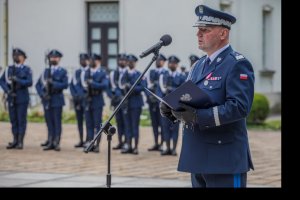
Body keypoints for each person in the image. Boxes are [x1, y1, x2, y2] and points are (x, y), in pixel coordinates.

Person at [159, 5, 255, 187]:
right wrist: (172, 108)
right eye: (198, 30)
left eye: (205, 30)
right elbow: (191, 97)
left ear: (223, 34)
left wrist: (198, 116)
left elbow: (239, 107)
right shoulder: (198, 66)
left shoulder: (237, 64)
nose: (198, 34)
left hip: (224, 157)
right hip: (197, 154)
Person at [36, 49, 68, 151]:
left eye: (55, 57)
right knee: (49, 121)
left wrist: (53, 83)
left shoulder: (62, 71)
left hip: (57, 99)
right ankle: (50, 140)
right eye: (51, 57)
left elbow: (65, 85)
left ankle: (56, 142)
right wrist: (42, 94)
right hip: (47, 99)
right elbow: (38, 85)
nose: (53, 59)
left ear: (59, 59)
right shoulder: (46, 71)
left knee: (57, 121)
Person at [0, 48, 32, 149]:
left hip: (22, 97)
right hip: (11, 97)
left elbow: (29, 82)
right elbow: (2, 81)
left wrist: (17, 80)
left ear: (23, 58)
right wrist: (7, 91)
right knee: (13, 119)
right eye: (14, 55)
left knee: (21, 119)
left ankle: (20, 141)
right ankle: (14, 139)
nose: (16, 57)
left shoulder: (27, 69)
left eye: (18, 55)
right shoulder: (9, 69)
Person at [119, 54, 145, 155]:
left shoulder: (139, 74)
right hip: (126, 103)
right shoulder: (124, 74)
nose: (130, 63)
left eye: (132, 62)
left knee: (135, 125)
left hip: (136, 103)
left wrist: (132, 88)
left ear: (135, 63)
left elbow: (143, 87)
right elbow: (120, 86)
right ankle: (128, 145)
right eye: (128, 62)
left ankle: (135, 147)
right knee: (127, 126)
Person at [82, 53, 109, 153]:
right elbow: (84, 84)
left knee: (97, 125)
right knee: (89, 124)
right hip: (88, 100)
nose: (91, 62)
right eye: (90, 60)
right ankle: (90, 143)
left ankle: (97, 144)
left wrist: (92, 83)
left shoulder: (103, 72)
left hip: (97, 100)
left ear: (98, 61)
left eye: (93, 60)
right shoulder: (87, 72)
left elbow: (105, 85)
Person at [159, 56, 185, 156]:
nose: (171, 64)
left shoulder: (181, 76)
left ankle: (174, 149)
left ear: (177, 65)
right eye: (170, 63)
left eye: (174, 63)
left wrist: (172, 89)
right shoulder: (164, 75)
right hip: (165, 105)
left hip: (176, 106)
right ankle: (167, 148)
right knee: (165, 127)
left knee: (175, 128)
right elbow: (159, 90)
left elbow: (183, 90)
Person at [146, 54, 167, 151]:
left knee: (162, 124)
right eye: (157, 60)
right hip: (152, 102)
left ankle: (162, 143)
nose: (158, 61)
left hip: (161, 102)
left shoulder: (166, 72)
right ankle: (156, 143)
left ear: (163, 62)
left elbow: (166, 89)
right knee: (154, 124)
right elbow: (146, 86)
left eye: (160, 60)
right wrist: (149, 96)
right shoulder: (151, 72)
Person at [108, 54, 129, 150]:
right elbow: (108, 87)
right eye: (120, 60)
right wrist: (112, 96)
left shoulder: (128, 73)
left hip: (126, 102)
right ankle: (120, 141)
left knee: (126, 123)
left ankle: (127, 142)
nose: (122, 62)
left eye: (124, 60)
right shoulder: (113, 73)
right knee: (119, 122)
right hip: (117, 102)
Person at [70, 53, 90, 148]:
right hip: (77, 100)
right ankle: (81, 139)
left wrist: (82, 95)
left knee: (88, 121)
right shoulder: (77, 72)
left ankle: (88, 140)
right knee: (79, 121)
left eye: (84, 60)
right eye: (80, 60)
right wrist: (75, 96)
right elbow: (72, 85)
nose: (82, 61)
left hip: (86, 100)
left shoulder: (89, 71)